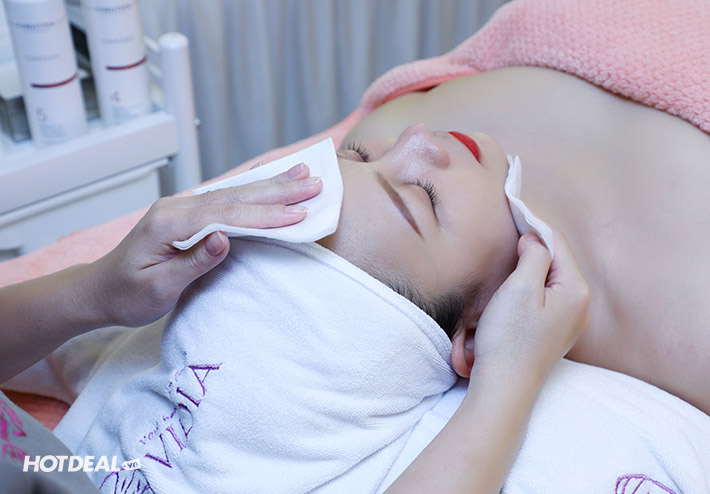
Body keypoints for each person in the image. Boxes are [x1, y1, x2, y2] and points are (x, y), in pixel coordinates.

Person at [0, 152, 589, 493]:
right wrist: (94, 290)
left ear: (473, 334)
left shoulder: (409, 445)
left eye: (421, 197)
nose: (416, 137)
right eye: (357, 155)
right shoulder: (144, 342)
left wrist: (509, 373)